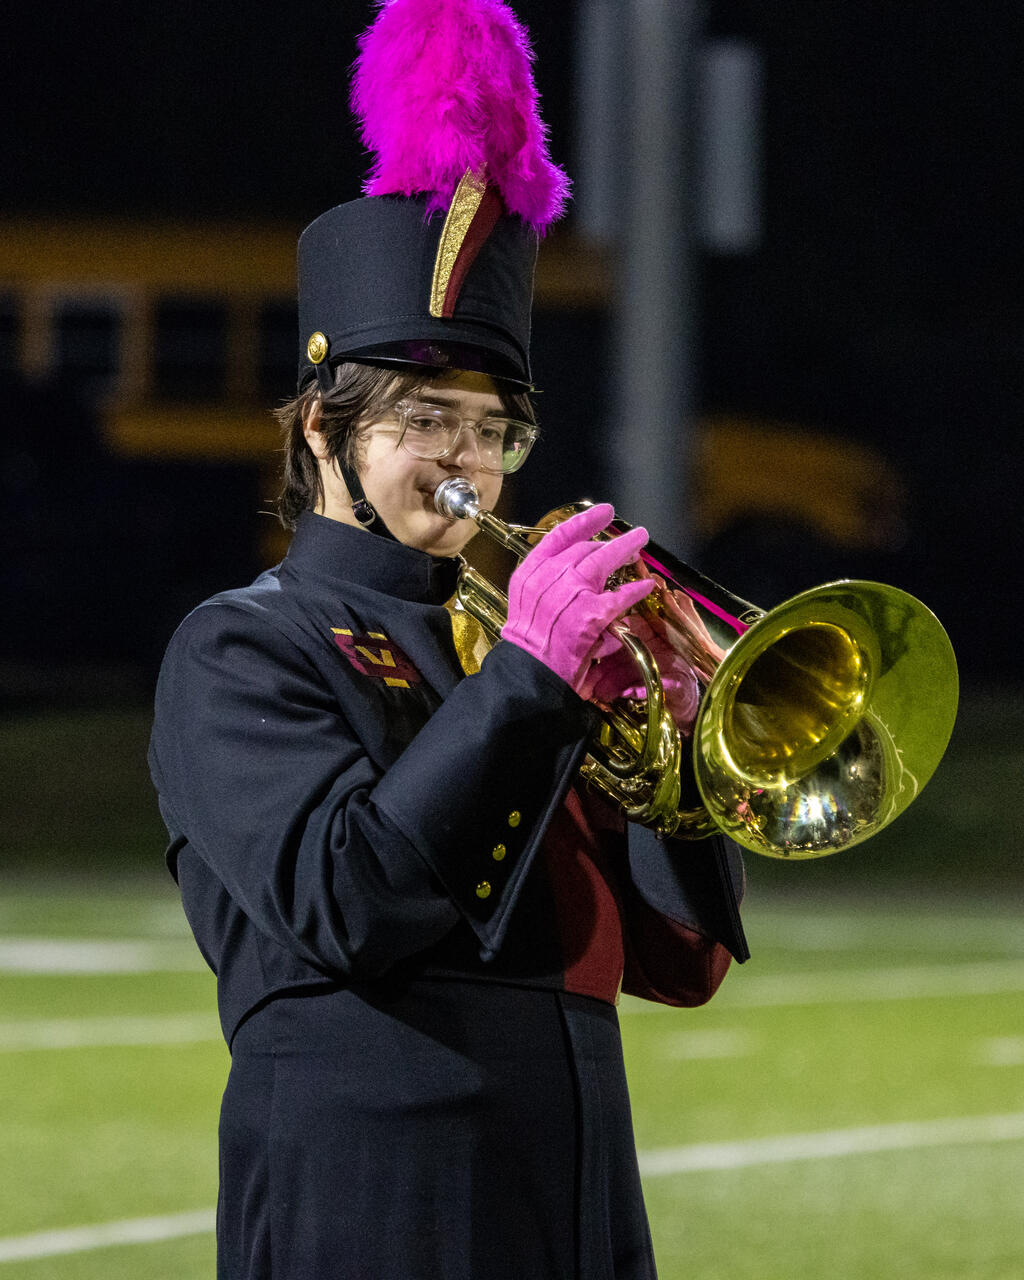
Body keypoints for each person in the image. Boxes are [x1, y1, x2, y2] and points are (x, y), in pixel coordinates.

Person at [148, 2, 748, 1275]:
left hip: (577, 1185)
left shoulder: (518, 650)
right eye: (426, 419)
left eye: (491, 428)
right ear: (323, 428)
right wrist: (531, 678)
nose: (469, 460)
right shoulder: (243, 647)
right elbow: (349, 902)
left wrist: (685, 760)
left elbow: (676, 961)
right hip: (370, 1190)